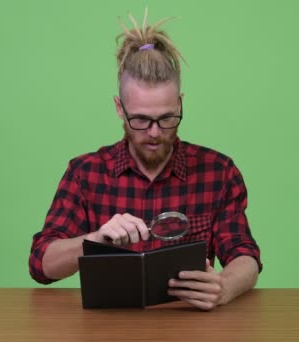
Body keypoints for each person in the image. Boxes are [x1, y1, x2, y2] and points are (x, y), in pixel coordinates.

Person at [29, 9, 263, 310]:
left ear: (180, 103)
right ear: (119, 108)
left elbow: (245, 255)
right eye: (140, 120)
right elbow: (41, 263)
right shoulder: (84, 173)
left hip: (187, 327)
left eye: (167, 118)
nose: (154, 133)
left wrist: (224, 287)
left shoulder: (218, 172)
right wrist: (95, 240)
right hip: (106, 329)